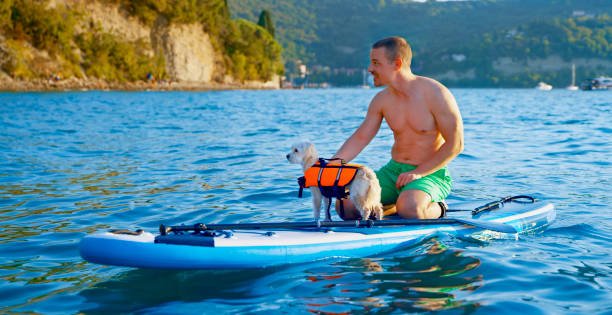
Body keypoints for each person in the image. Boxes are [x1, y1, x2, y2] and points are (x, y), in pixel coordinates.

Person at [332, 36, 464, 219]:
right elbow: (361, 137)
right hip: (393, 172)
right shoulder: (381, 100)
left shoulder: (436, 94)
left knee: (410, 208)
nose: (370, 69)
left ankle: (438, 207)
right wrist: (332, 165)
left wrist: (418, 173)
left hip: (430, 173)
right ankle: (394, 205)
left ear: (397, 63)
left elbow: (455, 144)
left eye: (376, 63)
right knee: (345, 205)